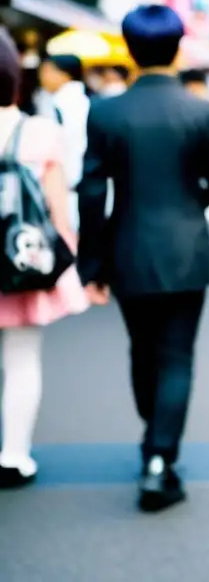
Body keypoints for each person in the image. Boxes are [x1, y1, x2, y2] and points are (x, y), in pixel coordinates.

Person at [78, 5, 209, 512]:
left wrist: (91, 263)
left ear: (128, 48)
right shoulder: (201, 112)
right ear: (177, 48)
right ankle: (159, 459)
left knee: (141, 350)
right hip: (187, 248)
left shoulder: (105, 112)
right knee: (176, 357)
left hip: (126, 248)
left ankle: (153, 439)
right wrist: (195, 201)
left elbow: (90, 192)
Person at [0, 28, 89, 488]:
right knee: (21, 359)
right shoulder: (38, 132)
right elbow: (58, 210)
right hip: (21, 263)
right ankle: (13, 454)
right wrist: (73, 264)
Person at [38, 54, 90, 231]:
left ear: (66, 75)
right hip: (79, 191)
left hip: (67, 193)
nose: (42, 76)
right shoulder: (83, 102)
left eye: (47, 71)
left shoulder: (61, 105)